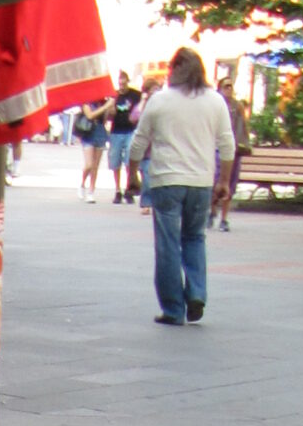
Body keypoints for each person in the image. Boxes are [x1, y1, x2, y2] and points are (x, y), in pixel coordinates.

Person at [126, 47, 235, 325]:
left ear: (174, 70)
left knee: (168, 244)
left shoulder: (159, 100)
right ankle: (196, 292)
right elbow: (227, 144)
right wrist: (223, 181)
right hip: (201, 182)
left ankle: (173, 309)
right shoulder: (216, 101)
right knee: (195, 237)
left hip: (166, 181)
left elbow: (138, 142)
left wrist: (133, 175)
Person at [209, 72, 252, 229]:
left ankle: (224, 219)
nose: (229, 89)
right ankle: (212, 211)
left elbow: (243, 128)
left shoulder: (237, 106)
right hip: (216, 149)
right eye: (226, 86)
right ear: (219, 89)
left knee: (229, 185)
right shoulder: (214, 106)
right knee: (215, 183)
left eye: (231, 86)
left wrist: (242, 145)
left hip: (233, 151)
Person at [100, 72, 141, 205]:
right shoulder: (114, 95)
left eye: (124, 83)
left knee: (129, 161)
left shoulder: (135, 95)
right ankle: (118, 190)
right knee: (115, 161)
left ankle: (129, 188)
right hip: (116, 131)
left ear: (128, 81)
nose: (122, 86)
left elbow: (140, 110)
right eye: (120, 84)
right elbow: (108, 117)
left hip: (130, 131)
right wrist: (110, 109)